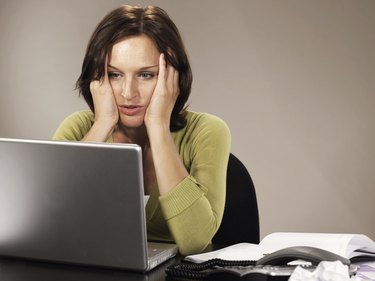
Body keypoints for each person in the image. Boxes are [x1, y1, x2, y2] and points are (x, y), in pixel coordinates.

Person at [53, 5, 231, 255]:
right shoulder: (79, 128)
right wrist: (103, 123)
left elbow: (195, 242)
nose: (128, 93)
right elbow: (53, 225)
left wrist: (158, 124)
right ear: (96, 78)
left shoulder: (207, 131)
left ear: (173, 77)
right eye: (114, 75)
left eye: (146, 75)